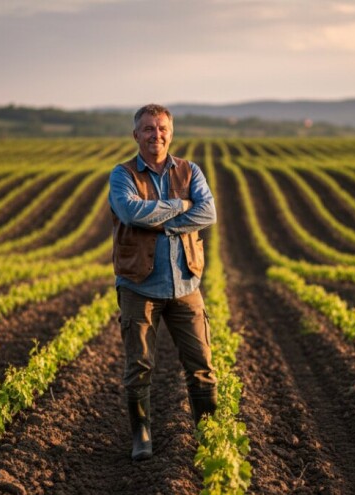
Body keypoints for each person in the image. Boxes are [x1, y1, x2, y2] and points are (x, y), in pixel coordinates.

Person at [108, 103, 218, 461]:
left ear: (171, 133)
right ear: (136, 135)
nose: (157, 135)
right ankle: (141, 436)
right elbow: (130, 212)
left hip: (186, 285)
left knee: (201, 365)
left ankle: (209, 433)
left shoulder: (190, 170)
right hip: (139, 286)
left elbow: (208, 212)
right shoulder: (122, 174)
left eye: (162, 129)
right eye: (149, 129)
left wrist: (159, 219)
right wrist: (181, 205)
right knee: (138, 367)